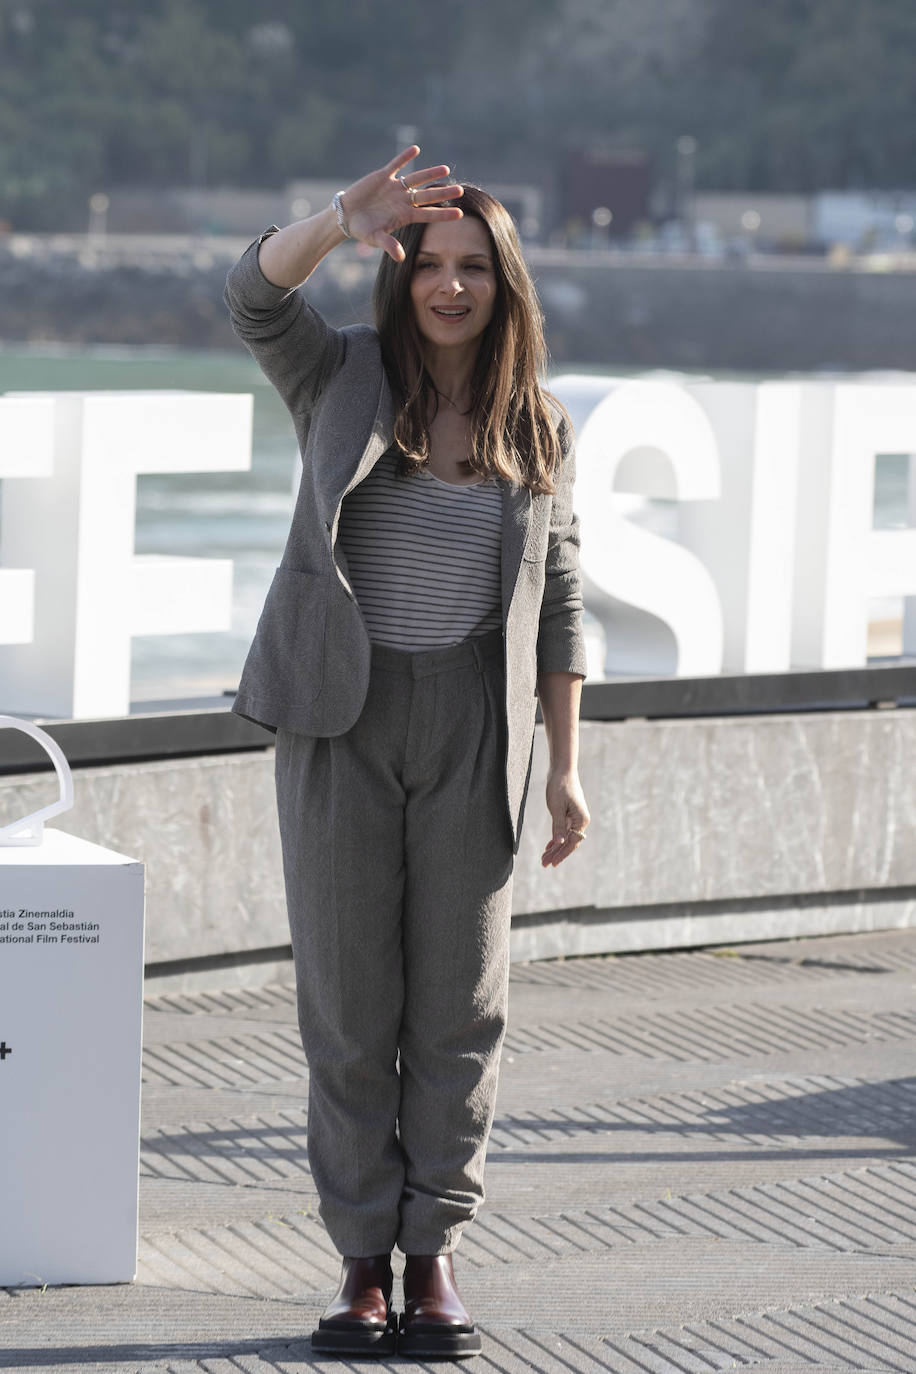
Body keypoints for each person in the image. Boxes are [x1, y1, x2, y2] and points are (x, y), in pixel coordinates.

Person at [223, 146, 590, 1359]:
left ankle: (433, 1253)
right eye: (429, 263)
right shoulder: (339, 378)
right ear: (403, 273)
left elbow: (564, 604)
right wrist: (340, 218)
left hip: (476, 727)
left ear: (504, 283)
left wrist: (568, 766)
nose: (448, 286)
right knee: (348, 1004)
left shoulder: (536, 423)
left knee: (457, 1009)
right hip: (342, 714)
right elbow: (251, 295)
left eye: (472, 267)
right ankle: (357, 1265)